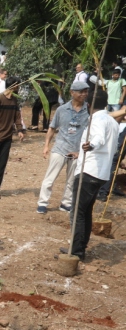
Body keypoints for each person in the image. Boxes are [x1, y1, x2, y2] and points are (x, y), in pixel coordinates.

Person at [62, 89, 119, 260]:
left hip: (89, 171)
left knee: (78, 212)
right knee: (86, 211)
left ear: (89, 105)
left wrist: (90, 146)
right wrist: (83, 151)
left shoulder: (97, 119)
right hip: (101, 173)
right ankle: (81, 245)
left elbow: (99, 139)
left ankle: (77, 249)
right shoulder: (112, 121)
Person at [37, 82, 90, 214]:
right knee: (50, 178)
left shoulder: (89, 110)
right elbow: (52, 128)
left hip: (77, 151)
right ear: (72, 92)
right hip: (60, 148)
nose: (83, 94)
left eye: (86, 91)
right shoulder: (62, 110)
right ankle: (42, 202)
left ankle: (66, 203)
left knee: (72, 180)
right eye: (81, 91)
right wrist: (46, 146)